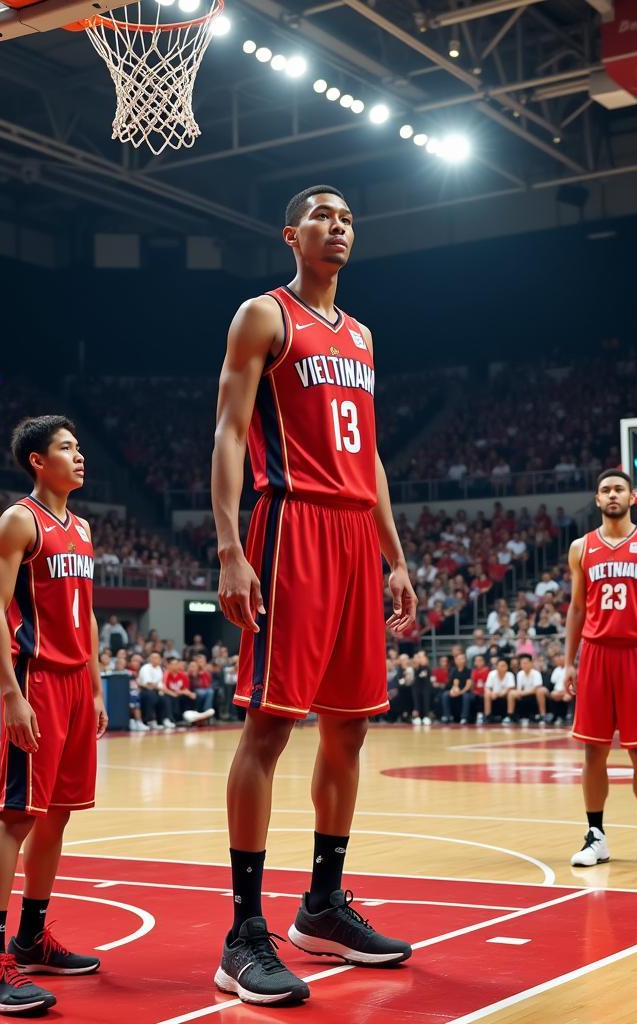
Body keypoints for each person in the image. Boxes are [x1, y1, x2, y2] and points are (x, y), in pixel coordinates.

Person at [211, 185, 415, 1005]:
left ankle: (323, 906)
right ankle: (242, 934)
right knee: (269, 727)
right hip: (290, 526)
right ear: (291, 234)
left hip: (354, 536)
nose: (340, 228)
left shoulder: (362, 335)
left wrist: (395, 555)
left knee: (351, 727)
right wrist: (230, 544)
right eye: (325, 217)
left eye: (350, 219)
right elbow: (229, 428)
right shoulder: (263, 315)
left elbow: (370, 458)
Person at [0, 416, 108, 1016]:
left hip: (77, 684)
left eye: (78, 447)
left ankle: (31, 938)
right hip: (37, 680)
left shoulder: (83, 527)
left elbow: (89, 615)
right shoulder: (21, 520)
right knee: (18, 816)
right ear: (36, 462)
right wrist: (9, 692)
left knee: (58, 815)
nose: (78, 457)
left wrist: (97, 688)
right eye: (66, 448)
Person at [563, 470, 637, 869]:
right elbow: (577, 608)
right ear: (597, 499)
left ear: (633, 497)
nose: (612, 495)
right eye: (605, 490)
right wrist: (567, 662)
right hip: (595, 654)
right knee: (592, 751)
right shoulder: (581, 547)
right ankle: (595, 836)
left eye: (619, 489)